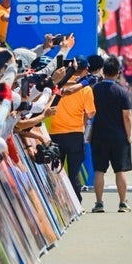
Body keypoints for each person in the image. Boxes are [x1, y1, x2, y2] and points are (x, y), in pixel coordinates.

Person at [90, 57, 132, 213]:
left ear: (103, 71)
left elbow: (89, 113)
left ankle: (99, 203)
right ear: (118, 73)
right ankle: (122, 203)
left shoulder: (95, 89)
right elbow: (127, 116)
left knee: (99, 171)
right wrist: (128, 135)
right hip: (118, 136)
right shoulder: (122, 91)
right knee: (120, 170)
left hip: (99, 135)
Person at [47, 58, 94, 202]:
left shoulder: (58, 85)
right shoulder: (85, 88)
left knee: (54, 170)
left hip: (55, 133)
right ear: (85, 70)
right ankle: (76, 202)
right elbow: (91, 113)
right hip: (75, 134)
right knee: (74, 172)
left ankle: (55, 201)